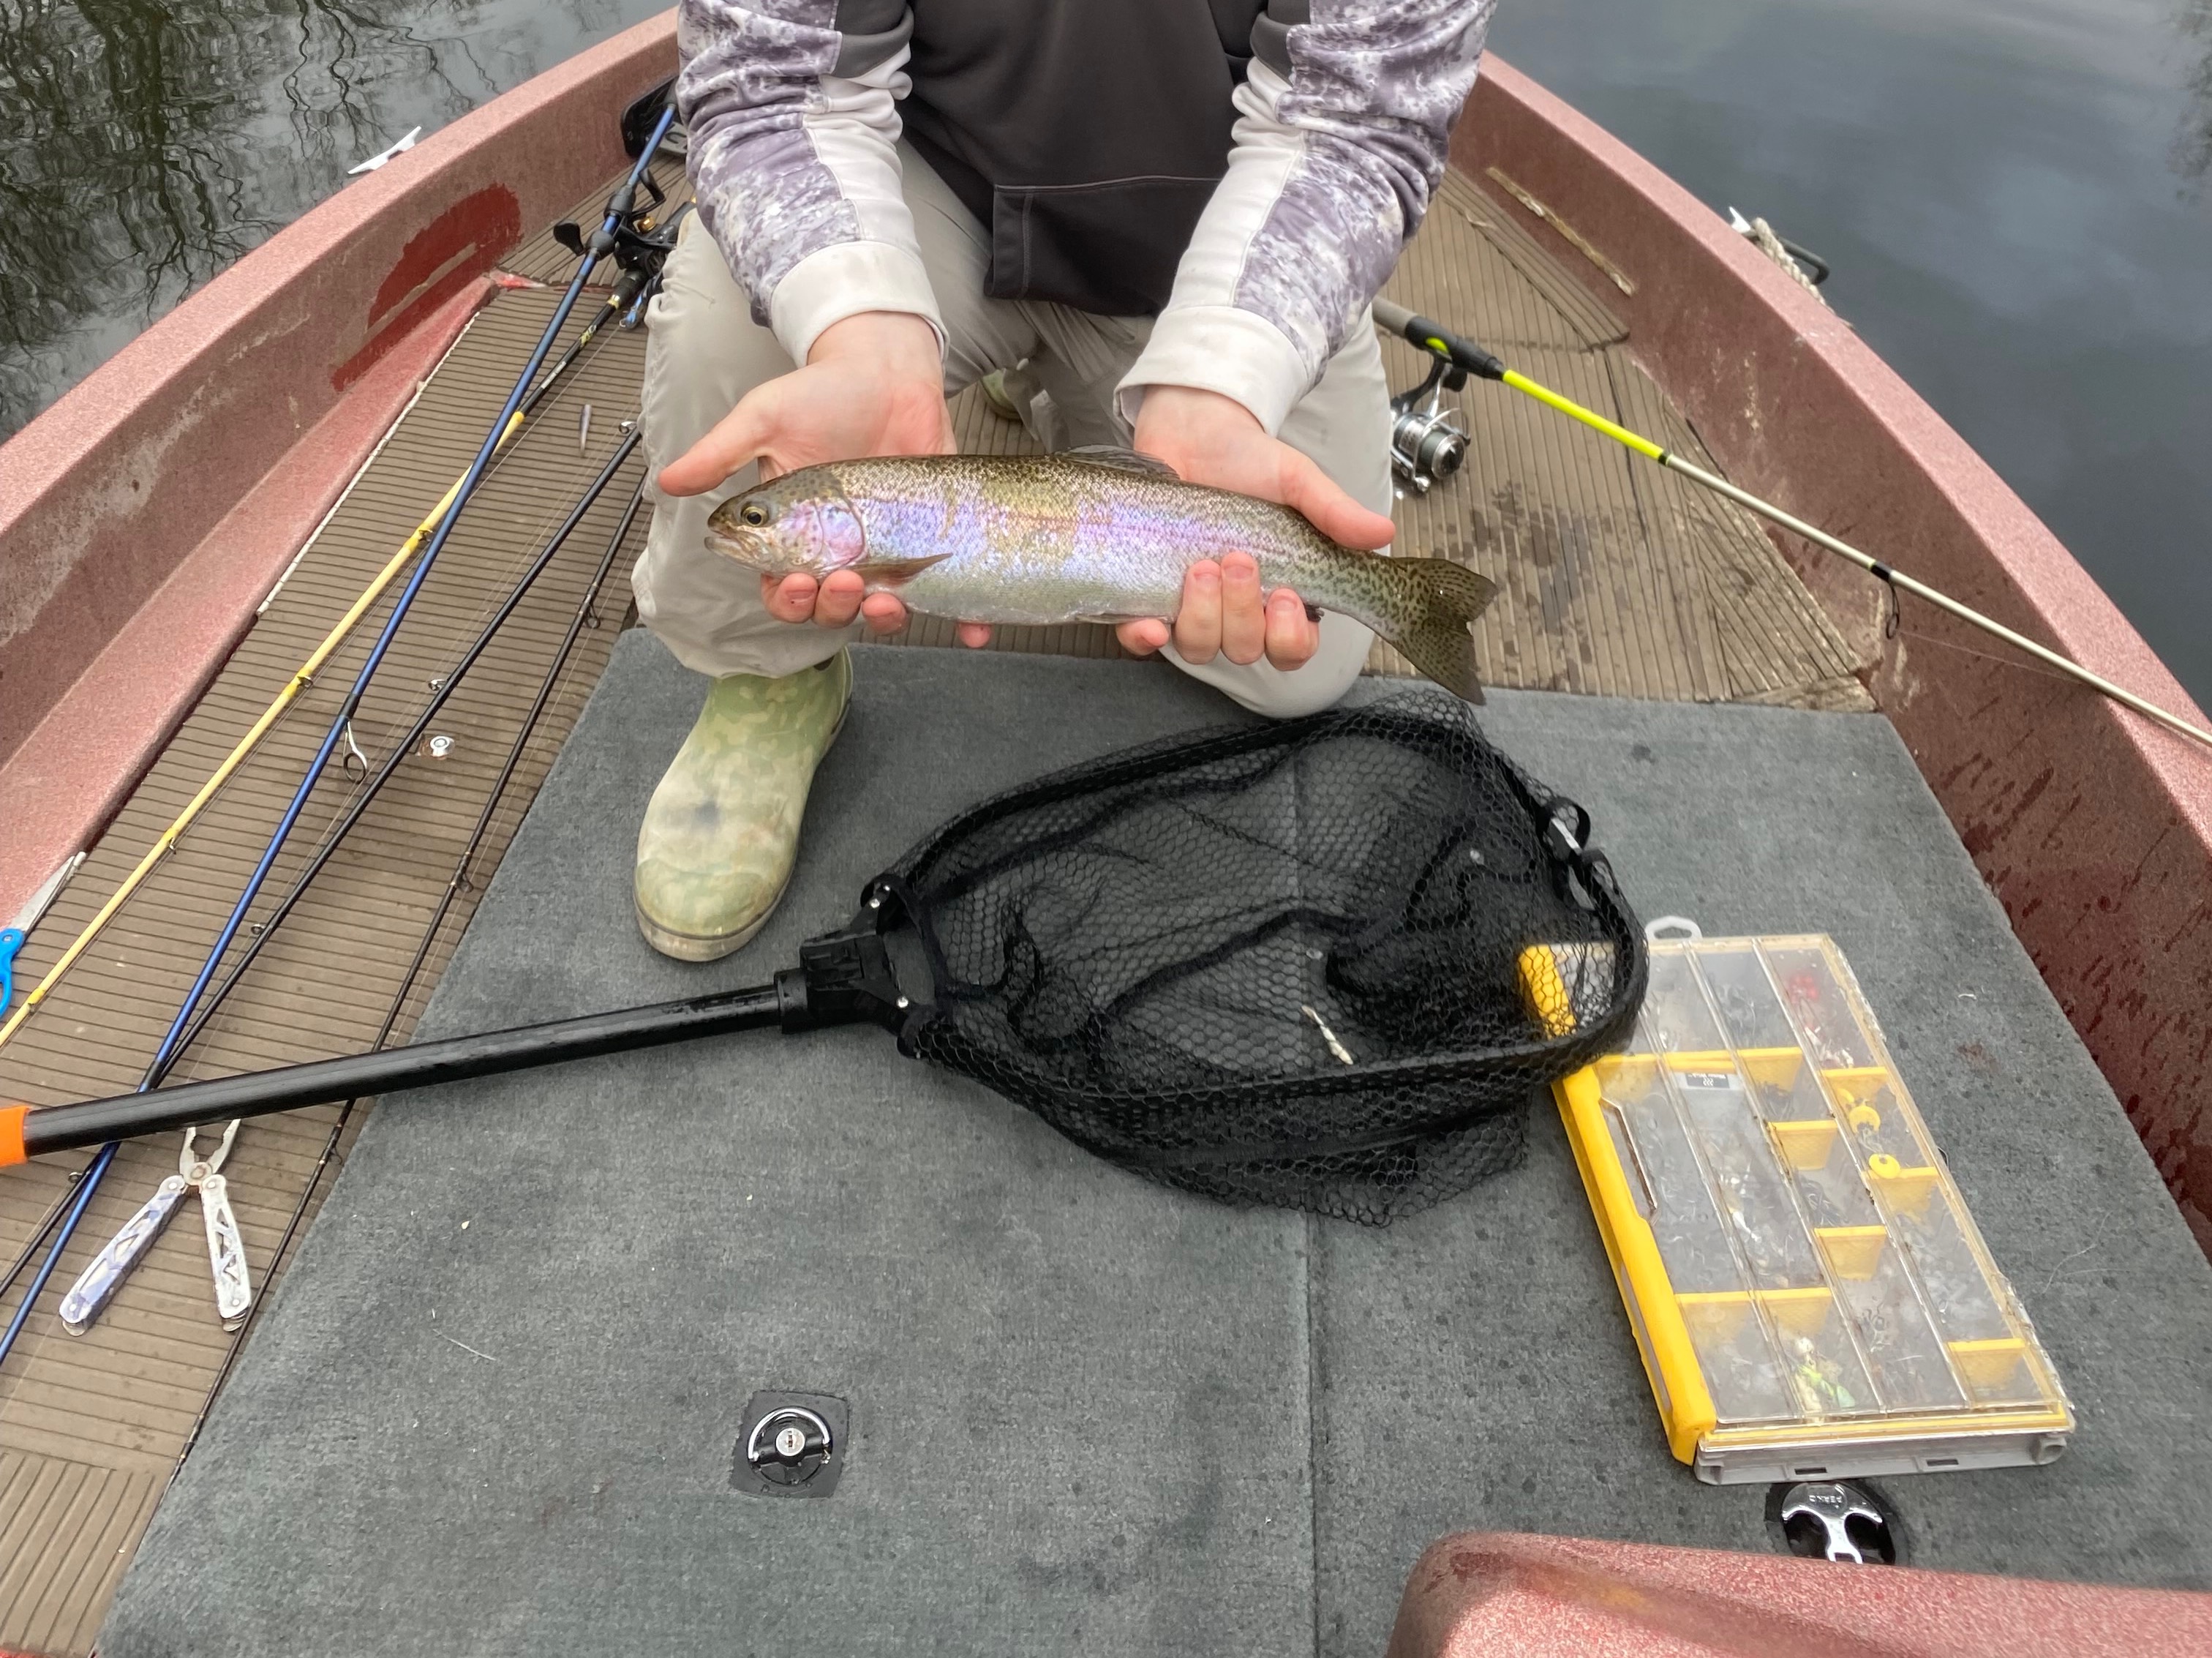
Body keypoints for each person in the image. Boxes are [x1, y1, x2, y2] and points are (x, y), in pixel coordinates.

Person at [634, 0, 1498, 960]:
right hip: (925, 185)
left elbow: (1358, 123)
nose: (749, 520)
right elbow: (770, 82)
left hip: (1213, 237)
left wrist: (1223, 380)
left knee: (1301, 664)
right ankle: (771, 675)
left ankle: (1070, 392)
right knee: (729, 332)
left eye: (762, 518)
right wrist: (854, 327)